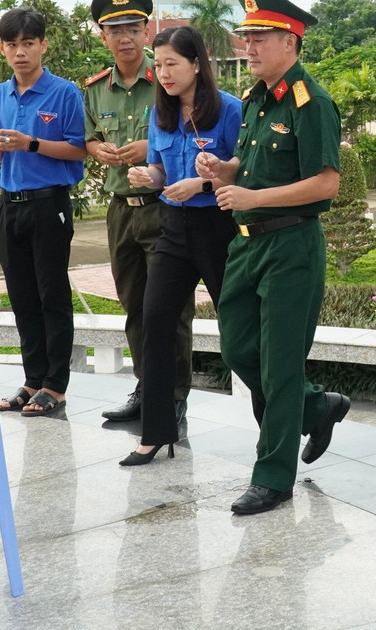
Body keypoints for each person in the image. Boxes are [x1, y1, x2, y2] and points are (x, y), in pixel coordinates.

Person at [195, 0, 347, 516]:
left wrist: (254, 195)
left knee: (280, 365)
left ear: (291, 41)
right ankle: (316, 406)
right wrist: (223, 170)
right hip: (246, 245)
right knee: (239, 350)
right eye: (247, 36)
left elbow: (326, 184)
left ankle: (273, 477)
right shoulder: (258, 97)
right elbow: (249, 163)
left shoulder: (312, 102)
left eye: (260, 37)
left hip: (291, 245)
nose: (249, 46)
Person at [118, 26, 242, 465]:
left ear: (196, 63)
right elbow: (158, 170)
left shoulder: (230, 110)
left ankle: (293, 415)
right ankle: (155, 433)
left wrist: (206, 179)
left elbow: (244, 170)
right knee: (156, 323)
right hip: (172, 227)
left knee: (241, 330)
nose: (163, 73)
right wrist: (147, 178)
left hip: (218, 229)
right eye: (159, 64)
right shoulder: (161, 113)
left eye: (172, 63)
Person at [83, 0, 195, 425]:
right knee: (135, 305)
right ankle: (147, 389)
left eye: (133, 27)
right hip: (120, 208)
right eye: (115, 30)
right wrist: (100, 152)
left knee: (171, 308)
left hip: (166, 206)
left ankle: (175, 394)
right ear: (103, 35)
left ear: (148, 30)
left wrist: (152, 146)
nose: (125, 37)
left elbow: (193, 130)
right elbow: (89, 138)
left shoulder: (168, 77)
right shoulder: (94, 89)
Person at [0, 6, 88, 417]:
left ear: (44, 45)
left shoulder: (64, 93)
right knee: (23, 296)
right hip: (10, 205)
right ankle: (32, 380)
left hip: (49, 204)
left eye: (29, 43)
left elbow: (80, 149)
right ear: (2, 49)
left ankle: (55, 386)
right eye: (12, 45)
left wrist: (30, 143)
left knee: (52, 295)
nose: (21, 52)